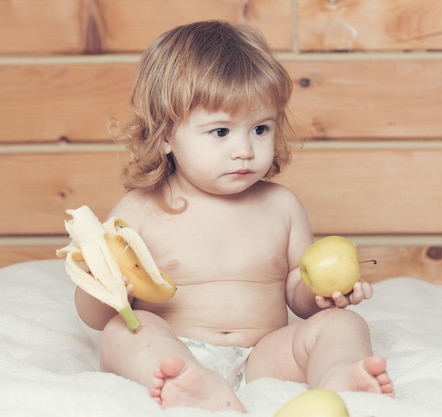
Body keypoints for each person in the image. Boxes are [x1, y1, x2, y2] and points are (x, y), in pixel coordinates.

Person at [74, 20, 394, 412]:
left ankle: (339, 376)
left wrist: (325, 295)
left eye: (260, 129)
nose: (244, 149)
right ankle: (190, 384)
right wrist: (105, 291)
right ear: (165, 136)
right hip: (177, 348)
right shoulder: (138, 211)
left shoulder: (282, 206)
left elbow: (299, 294)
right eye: (221, 132)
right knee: (123, 331)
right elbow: (94, 316)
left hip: (265, 355)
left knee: (344, 326)